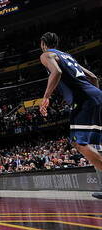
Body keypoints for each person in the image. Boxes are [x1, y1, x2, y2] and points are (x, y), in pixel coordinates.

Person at [38, 32, 102, 199]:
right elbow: (93, 77)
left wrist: (46, 97)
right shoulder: (67, 56)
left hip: (84, 99)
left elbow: (57, 72)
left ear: (43, 43)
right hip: (96, 95)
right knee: (95, 143)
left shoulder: (46, 54)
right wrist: (94, 94)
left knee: (79, 143)